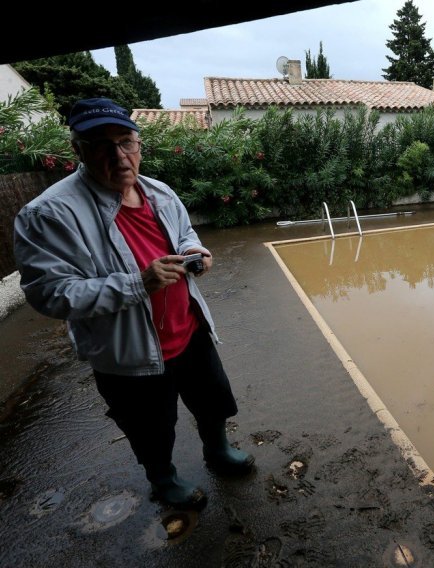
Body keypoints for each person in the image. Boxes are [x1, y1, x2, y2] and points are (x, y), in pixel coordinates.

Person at [13, 97, 254, 510]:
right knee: (151, 428)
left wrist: (195, 250)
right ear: (78, 150)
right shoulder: (48, 214)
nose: (119, 156)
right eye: (102, 146)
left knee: (213, 399)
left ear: (139, 144)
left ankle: (217, 450)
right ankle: (164, 480)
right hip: (129, 352)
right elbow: (48, 294)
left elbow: (184, 234)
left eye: (126, 142)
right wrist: (138, 283)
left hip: (189, 330)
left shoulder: (159, 192)